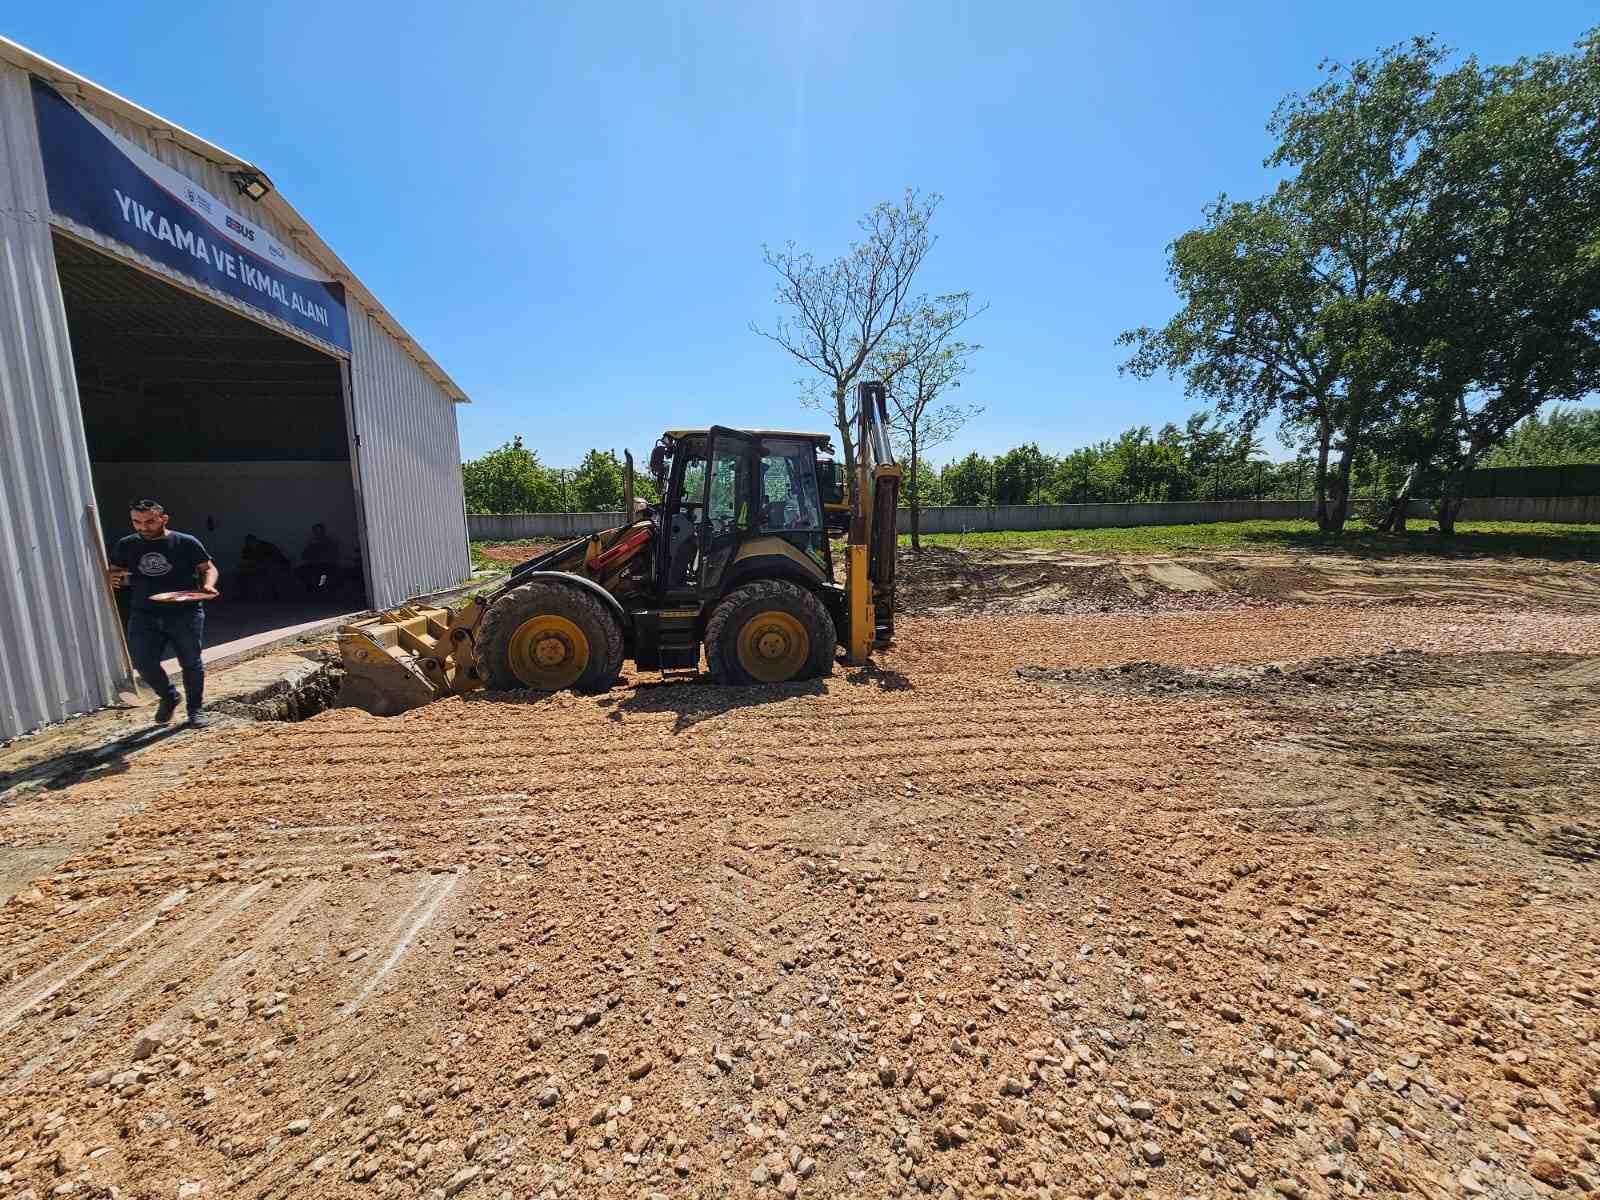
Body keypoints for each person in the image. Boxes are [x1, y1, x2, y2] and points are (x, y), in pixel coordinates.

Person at [107, 499, 218, 727]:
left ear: (163, 519)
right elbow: (116, 569)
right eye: (137, 522)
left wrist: (208, 585)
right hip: (144, 612)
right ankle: (169, 696)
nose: (143, 527)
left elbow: (208, 568)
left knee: (190, 661)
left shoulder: (185, 542)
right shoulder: (126, 544)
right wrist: (112, 575)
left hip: (184, 612)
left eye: (149, 521)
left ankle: (195, 709)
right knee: (142, 661)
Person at [237, 534, 291, 602]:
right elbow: (245, 561)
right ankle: (244, 595)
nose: (251, 544)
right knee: (245, 574)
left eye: (252, 542)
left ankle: (276, 595)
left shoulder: (266, 546)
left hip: (277, 566)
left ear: (256, 541)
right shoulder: (247, 549)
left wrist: (257, 564)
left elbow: (275, 559)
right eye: (249, 543)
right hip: (261, 568)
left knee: (270, 573)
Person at [296, 523, 341, 595]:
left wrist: (324, 559)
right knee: (299, 571)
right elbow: (304, 556)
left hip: (327, 565)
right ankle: (311, 589)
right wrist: (310, 547)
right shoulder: (311, 542)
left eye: (319, 531)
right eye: (316, 532)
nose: (318, 534)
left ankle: (321, 589)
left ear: (323, 532)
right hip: (313, 565)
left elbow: (334, 556)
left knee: (323, 574)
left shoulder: (329, 542)